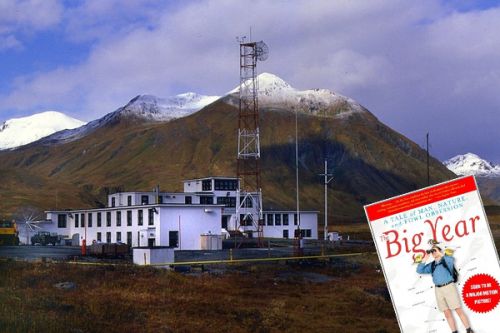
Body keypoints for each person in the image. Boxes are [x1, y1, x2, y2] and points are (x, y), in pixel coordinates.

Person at [417, 245, 473, 333]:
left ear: (440, 251)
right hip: (438, 290)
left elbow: (450, 260)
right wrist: (425, 258)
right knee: (446, 313)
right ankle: (454, 331)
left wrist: (440, 253)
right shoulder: (432, 265)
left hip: (449, 287)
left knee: (458, 310)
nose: (434, 253)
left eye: (435, 251)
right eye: (432, 252)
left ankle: (469, 330)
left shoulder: (447, 260)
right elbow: (419, 270)